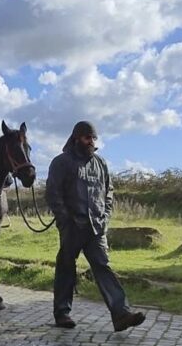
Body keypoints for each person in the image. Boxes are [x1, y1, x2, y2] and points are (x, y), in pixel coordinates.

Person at [45, 121, 146, 332]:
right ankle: (62, 313)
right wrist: (65, 220)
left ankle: (121, 314)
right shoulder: (61, 162)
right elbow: (53, 194)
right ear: (76, 138)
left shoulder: (101, 163)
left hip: (96, 227)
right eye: (87, 137)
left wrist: (105, 216)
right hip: (73, 225)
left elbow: (108, 192)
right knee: (66, 267)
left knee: (103, 266)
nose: (91, 141)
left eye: (93, 138)